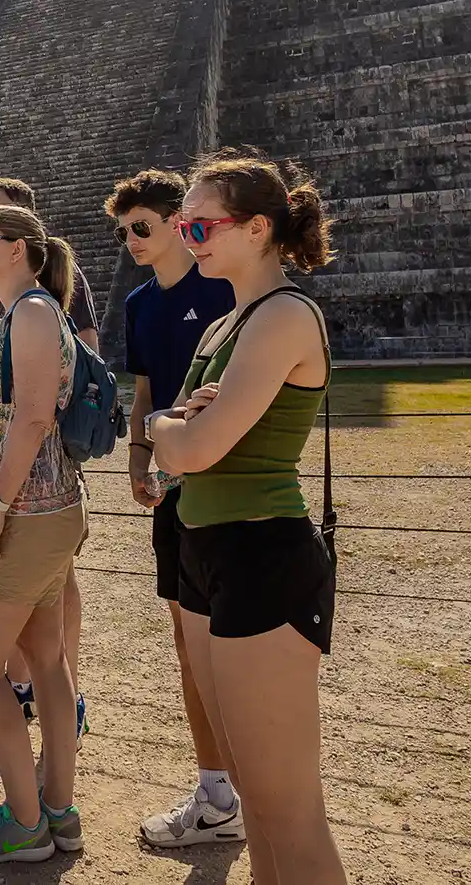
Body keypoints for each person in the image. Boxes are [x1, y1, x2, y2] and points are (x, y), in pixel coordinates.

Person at [146, 148, 344, 885]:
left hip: (263, 556)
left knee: (290, 809)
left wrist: (169, 431)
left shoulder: (285, 316)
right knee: (257, 803)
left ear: (258, 228)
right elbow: (181, 443)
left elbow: (189, 445)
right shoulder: (221, 326)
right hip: (204, 551)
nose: (185, 239)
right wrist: (175, 433)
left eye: (199, 227)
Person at [105, 169, 247, 849]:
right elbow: (143, 393)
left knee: (234, 647)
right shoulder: (137, 305)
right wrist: (137, 460)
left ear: (178, 225)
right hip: (173, 487)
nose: (131, 239)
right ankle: (218, 791)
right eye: (124, 229)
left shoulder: (221, 288)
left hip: (226, 486)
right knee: (189, 648)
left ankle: (255, 788)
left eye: (143, 227)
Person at [0, 204, 88, 865]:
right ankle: (57, 807)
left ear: (20, 247)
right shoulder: (17, 315)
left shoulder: (31, 313)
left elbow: (30, 419)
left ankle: (25, 823)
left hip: (28, 512)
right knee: (48, 660)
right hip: (50, 509)